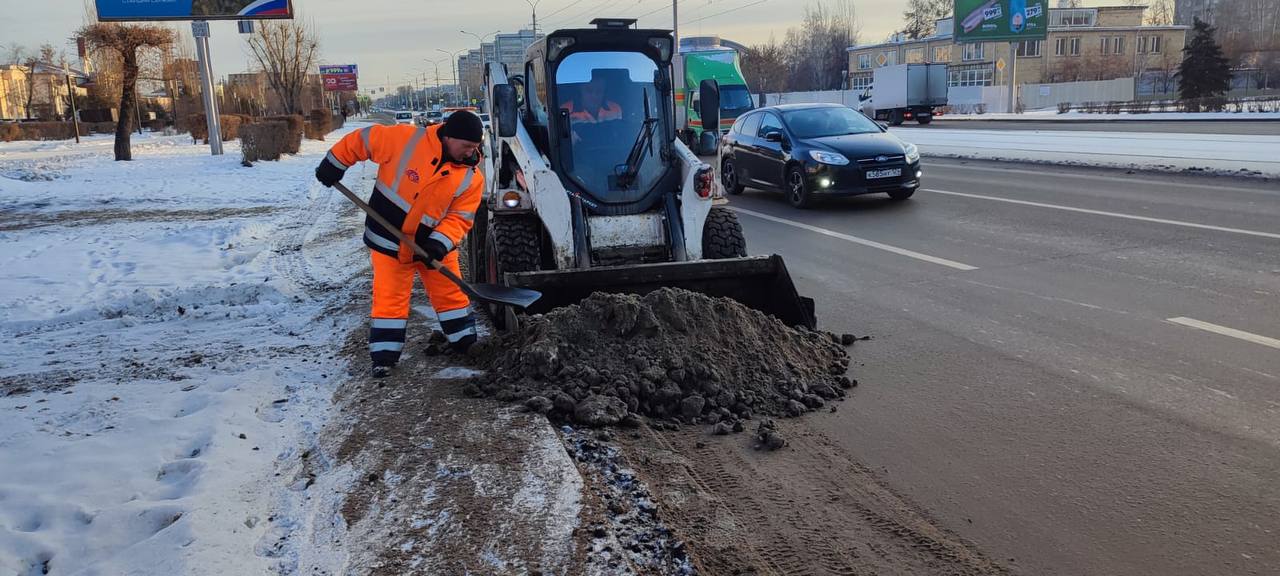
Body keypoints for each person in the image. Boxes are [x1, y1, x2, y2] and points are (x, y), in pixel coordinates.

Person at [314, 112, 485, 378]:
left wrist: (439, 245)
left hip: (433, 248)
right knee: (389, 300)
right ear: (449, 137)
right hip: (389, 240)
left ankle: (466, 343)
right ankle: (384, 357)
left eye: (475, 147)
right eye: (466, 146)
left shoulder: (471, 178)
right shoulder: (404, 139)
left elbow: (460, 218)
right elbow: (362, 140)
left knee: (450, 294)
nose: (471, 153)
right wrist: (334, 163)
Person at [563, 76, 622, 142]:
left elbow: (618, 138)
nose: (594, 95)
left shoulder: (615, 109)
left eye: (599, 91)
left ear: (604, 92)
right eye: (589, 90)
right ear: (580, 90)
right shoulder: (565, 111)